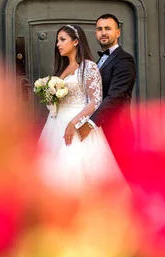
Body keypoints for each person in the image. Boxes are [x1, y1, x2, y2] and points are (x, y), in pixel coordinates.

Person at [37, 24, 123, 192]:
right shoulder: (62, 69)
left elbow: (95, 100)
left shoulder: (88, 67)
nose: (58, 44)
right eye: (57, 41)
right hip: (55, 125)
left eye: (62, 40)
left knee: (76, 173)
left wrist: (74, 123)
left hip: (76, 125)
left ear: (76, 41)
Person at [76, 14, 136, 172]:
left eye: (108, 28)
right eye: (99, 29)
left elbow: (115, 96)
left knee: (122, 177)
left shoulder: (124, 60)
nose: (103, 33)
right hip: (100, 131)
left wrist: (90, 124)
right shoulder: (97, 62)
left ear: (118, 32)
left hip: (117, 129)